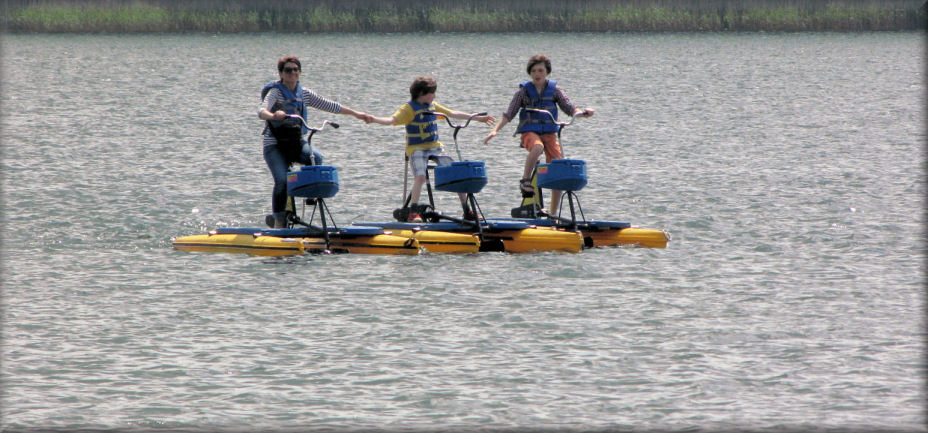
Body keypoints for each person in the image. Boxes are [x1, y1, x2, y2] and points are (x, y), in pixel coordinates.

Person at [258, 56, 371, 228]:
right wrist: (273, 115)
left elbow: (330, 105)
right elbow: (261, 110)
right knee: (282, 180)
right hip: (274, 144)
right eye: (288, 70)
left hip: (295, 141)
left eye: (296, 69)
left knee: (316, 157)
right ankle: (279, 221)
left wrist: (356, 114)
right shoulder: (275, 92)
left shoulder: (305, 94)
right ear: (281, 74)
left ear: (300, 72)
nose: (292, 73)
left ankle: (309, 195)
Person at [366, 76, 494, 222]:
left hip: (435, 148)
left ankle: (467, 210)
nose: (434, 96)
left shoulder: (433, 105)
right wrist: (374, 119)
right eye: (432, 93)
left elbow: (452, 113)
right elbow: (391, 120)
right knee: (420, 177)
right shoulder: (408, 109)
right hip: (416, 148)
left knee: (456, 173)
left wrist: (477, 118)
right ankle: (413, 212)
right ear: (422, 93)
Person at [483, 54, 594, 216]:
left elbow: (569, 107)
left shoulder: (555, 90)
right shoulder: (523, 92)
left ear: (547, 72)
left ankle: (553, 215)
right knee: (537, 147)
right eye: (534, 71)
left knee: (557, 169)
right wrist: (495, 130)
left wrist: (583, 113)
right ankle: (525, 180)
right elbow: (509, 114)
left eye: (540, 70)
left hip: (549, 133)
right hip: (530, 131)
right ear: (530, 73)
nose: (537, 74)